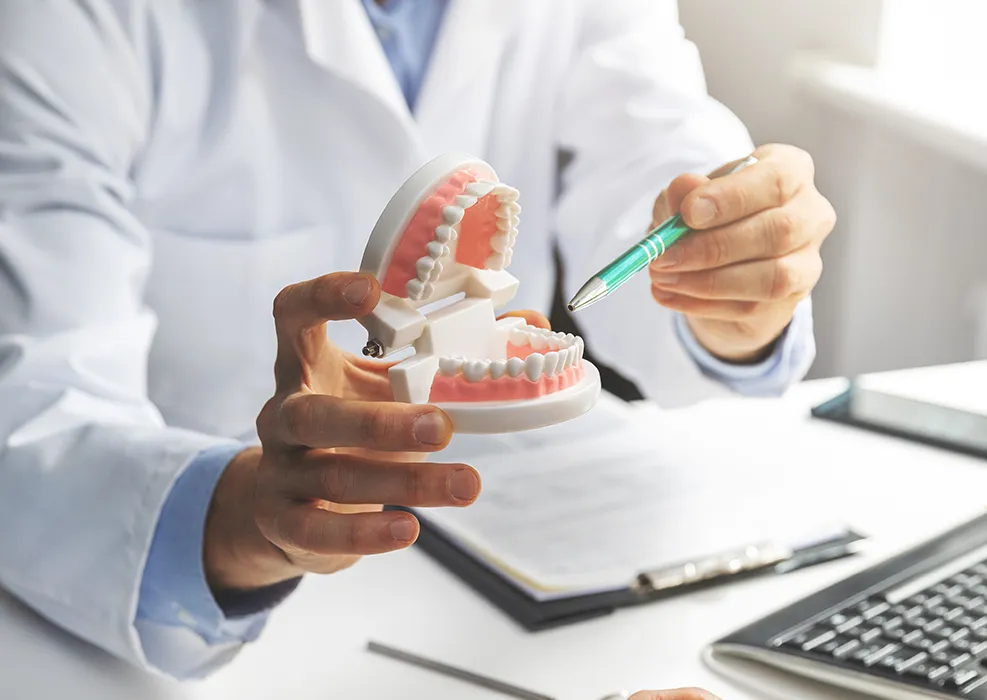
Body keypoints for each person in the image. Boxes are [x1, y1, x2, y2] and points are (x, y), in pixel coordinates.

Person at [0, 0, 835, 693]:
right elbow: (28, 399)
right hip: (178, 612)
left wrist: (735, 280)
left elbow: (660, 163)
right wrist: (236, 518)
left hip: (544, 562)